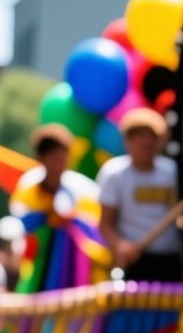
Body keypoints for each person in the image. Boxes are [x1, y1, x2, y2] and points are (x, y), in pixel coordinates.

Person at [12, 124, 110, 293]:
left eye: (64, 154)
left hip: (74, 267)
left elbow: (94, 227)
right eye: (55, 155)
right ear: (42, 158)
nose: (61, 160)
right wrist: (47, 218)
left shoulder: (81, 188)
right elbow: (23, 225)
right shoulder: (29, 188)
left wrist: (71, 220)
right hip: (38, 266)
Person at [96, 109, 183, 282]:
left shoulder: (172, 172)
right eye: (139, 136)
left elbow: (179, 213)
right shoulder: (114, 174)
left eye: (151, 137)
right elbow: (105, 223)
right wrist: (120, 246)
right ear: (127, 140)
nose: (146, 142)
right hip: (132, 261)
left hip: (170, 260)